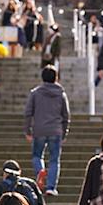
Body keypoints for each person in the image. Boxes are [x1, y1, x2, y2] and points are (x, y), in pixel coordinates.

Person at [23, 65, 70, 196]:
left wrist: (27, 131)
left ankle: (41, 173)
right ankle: (51, 187)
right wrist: (64, 132)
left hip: (39, 129)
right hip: (56, 130)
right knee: (54, 160)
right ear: (56, 78)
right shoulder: (61, 94)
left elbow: (28, 113)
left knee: (37, 156)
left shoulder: (35, 93)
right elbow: (66, 116)